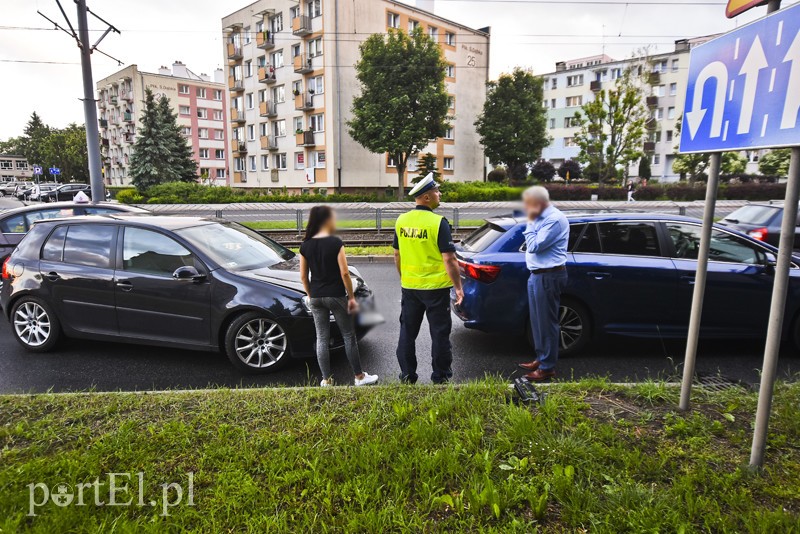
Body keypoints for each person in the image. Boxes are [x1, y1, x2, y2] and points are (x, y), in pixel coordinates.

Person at [393, 173, 464, 384]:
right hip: (436, 289)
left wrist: (404, 277)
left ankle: (407, 375)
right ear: (426, 197)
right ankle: (440, 377)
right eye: (436, 191)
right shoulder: (438, 223)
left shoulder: (401, 220)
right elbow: (450, 259)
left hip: (410, 287)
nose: (439, 194)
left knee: (407, 332)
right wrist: (458, 287)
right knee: (440, 334)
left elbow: (397, 254)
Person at [299, 205, 378, 387]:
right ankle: (359, 377)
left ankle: (326, 380)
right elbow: (344, 273)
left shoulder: (306, 245)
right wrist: (351, 298)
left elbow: (303, 276)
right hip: (335, 295)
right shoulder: (335, 242)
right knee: (349, 336)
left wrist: (311, 295)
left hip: (317, 298)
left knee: (321, 339)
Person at [518, 186, 569, 382]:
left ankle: (547, 367)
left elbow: (534, 246)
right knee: (537, 322)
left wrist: (530, 223)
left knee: (547, 323)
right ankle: (541, 358)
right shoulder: (542, 217)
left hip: (549, 276)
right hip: (537, 275)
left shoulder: (554, 219)